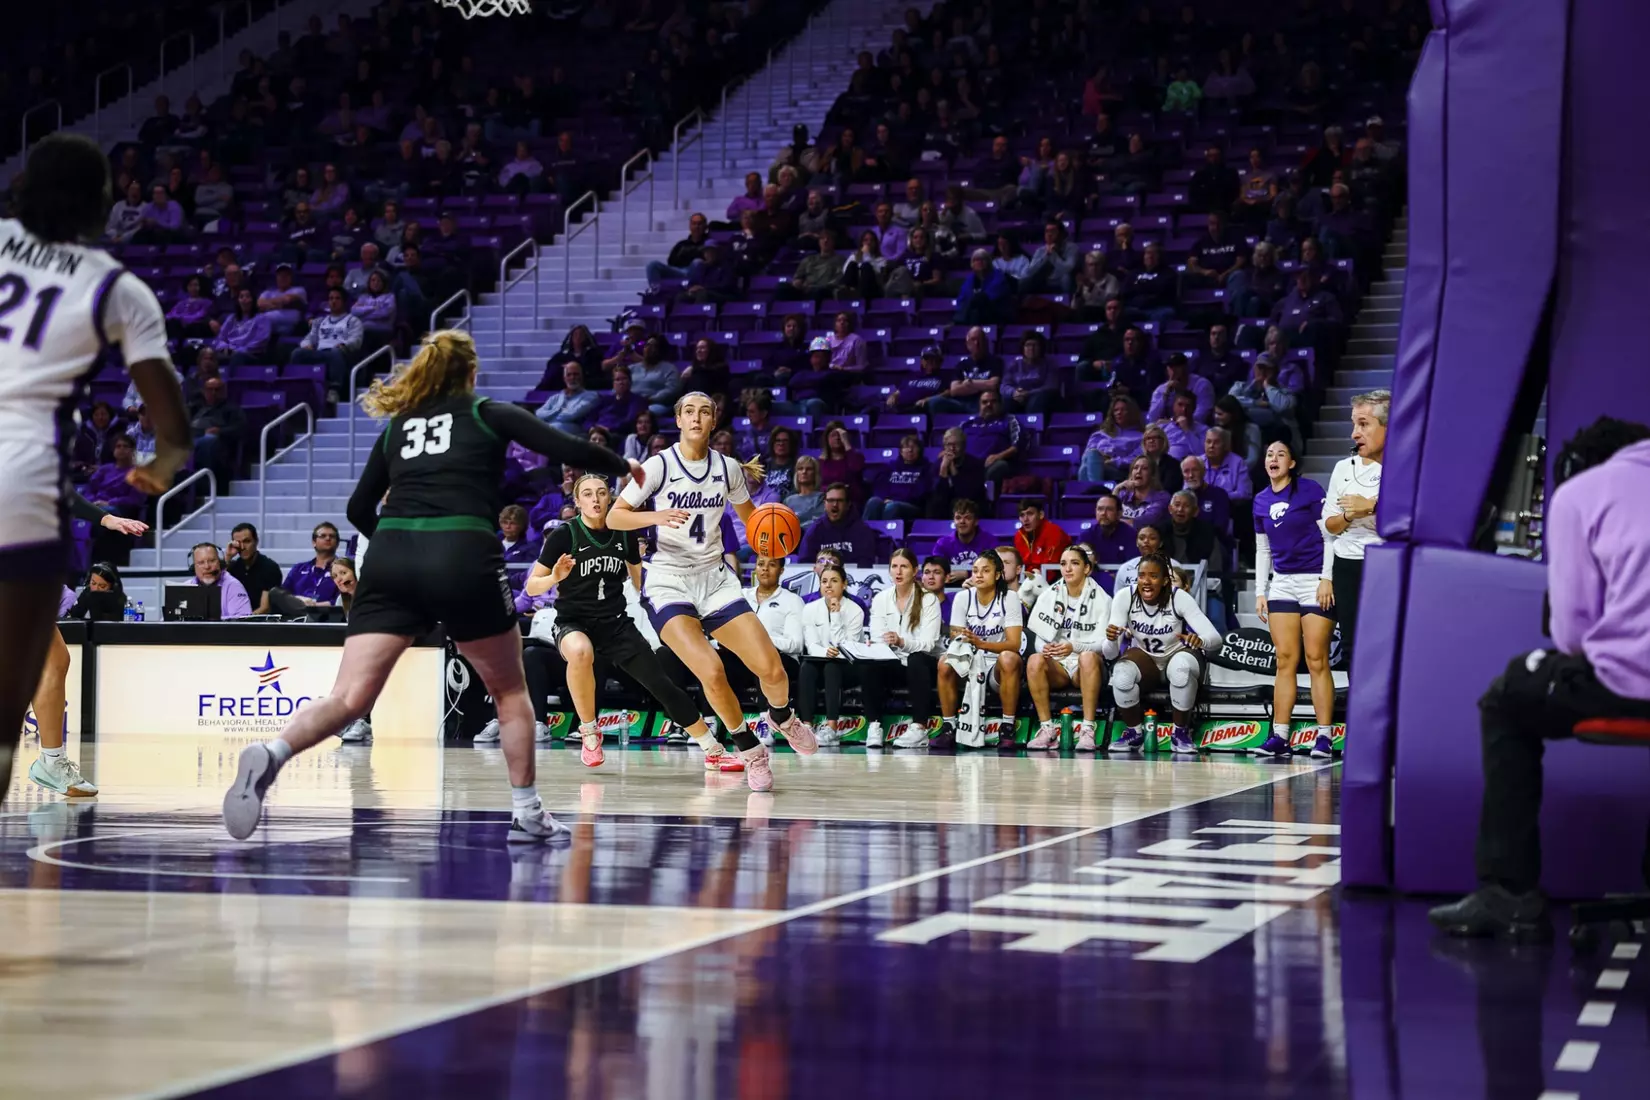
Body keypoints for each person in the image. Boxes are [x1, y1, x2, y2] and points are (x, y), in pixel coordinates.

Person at [221, 330, 638, 845]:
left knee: (349, 696)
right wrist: (624, 465)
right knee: (509, 693)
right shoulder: (486, 411)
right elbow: (563, 445)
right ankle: (527, 812)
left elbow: (356, 510)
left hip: (392, 558)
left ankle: (273, 753)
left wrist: (400, 546)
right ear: (469, 374)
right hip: (463, 554)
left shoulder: (399, 427)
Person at [0, 134, 190, 802]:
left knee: (50, 657)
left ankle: (51, 757)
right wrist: (159, 466)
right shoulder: (116, 287)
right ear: (103, 204)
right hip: (22, 488)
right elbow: (171, 428)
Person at [1429, 418, 1650, 940]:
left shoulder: (1582, 494)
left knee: (1506, 699)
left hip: (1627, 682)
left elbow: (1572, 633)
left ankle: (1508, 895)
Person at [608, 392, 818, 791]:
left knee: (772, 668)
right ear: (678, 419)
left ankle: (782, 716)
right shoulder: (658, 465)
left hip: (714, 577)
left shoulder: (728, 469)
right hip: (667, 579)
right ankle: (749, 750)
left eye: (704, 411)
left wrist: (775, 535)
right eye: (689, 411)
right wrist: (657, 516)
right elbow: (616, 515)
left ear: (713, 420)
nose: (696, 417)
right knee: (711, 669)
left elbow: (752, 523)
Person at [525, 474, 741, 772]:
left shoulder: (622, 533)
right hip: (574, 621)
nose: (596, 499)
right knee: (580, 651)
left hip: (615, 624)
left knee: (660, 684)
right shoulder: (565, 535)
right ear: (577, 502)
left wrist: (667, 616)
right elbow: (532, 586)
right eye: (587, 494)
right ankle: (589, 731)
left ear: (610, 497)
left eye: (601, 493)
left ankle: (712, 749)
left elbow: (641, 585)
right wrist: (554, 578)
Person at [1252, 441, 1337, 759]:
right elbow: (1263, 550)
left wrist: (1327, 577)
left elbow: (1330, 535)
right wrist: (1262, 590)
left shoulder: (1311, 491)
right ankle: (1280, 736)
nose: (1273, 458)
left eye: (1280, 454)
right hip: (1283, 583)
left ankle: (1325, 737)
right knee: (1284, 660)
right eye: (1269, 454)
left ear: (1292, 463)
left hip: (1315, 578)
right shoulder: (1260, 500)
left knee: (1317, 659)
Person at [1100, 553, 1221, 755]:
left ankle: (1180, 733)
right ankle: (1134, 733)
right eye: (1141, 575)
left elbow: (1215, 639)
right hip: (1146, 659)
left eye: (1153, 576)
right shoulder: (1124, 597)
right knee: (1121, 675)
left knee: (1180, 669)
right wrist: (1111, 639)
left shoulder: (1179, 597)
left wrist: (1200, 641)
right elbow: (1110, 654)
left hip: (1178, 653)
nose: (1146, 581)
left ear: (1165, 580)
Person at [935, 550, 1024, 751]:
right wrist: (972, 644)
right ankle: (949, 726)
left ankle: (1007, 727)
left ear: (998, 575)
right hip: (969, 660)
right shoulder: (962, 597)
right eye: (975, 571)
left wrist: (982, 644)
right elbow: (956, 638)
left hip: (995, 663)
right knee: (944, 661)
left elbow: (1014, 644)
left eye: (985, 570)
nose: (979, 575)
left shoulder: (1009, 598)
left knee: (1009, 658)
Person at [1025, 546, 1111, 751]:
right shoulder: (1048, 595)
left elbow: (1105, 646)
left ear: (1087, 569)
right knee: (1035, 659)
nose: (1068, 568)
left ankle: (1087, 729)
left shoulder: (1103, 599)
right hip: (1060, 665)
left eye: (1075, 563)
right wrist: (1048, 649)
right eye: (1063, 563)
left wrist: (1075, 647)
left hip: (1089, 666)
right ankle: (1047, 730)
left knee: (1088, 657)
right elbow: (1039, 639)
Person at [1323, 389, 1386, 670]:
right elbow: (1330, 524)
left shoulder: (1406, 468)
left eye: (1363, 424)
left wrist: (1370, 506)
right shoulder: (1341, 468)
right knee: (1351, 646)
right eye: (1353, 424)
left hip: (1385, 564)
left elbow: (1412, 519)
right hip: (1347, 564)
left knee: (1384, 643)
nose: (1354, 433)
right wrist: (1351, 513)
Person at [863, 548, 944, 750]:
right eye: (894, 566)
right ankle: (874, 725)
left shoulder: (929, 599)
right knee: (869, 663)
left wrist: (901, 641)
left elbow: (929, 644)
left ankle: (919, 727)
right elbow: (876, 635)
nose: (898, 572)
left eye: (904, 567)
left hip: (923, 664)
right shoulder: (881, 598)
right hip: (893, 662)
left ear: (915, 570)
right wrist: (881, 645)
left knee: (917, 658)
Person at [798, 563, 868, 744]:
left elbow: (846, 647)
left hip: (848, 666)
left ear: (844, 584)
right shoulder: (810, 609)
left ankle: (831, 727)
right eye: (824, 581)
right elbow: (811, 644)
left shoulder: (855, 611)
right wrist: (825, 652)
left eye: (834, 581)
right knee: (807, 667)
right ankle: (807, 725)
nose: (828, 585)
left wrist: (836, 614)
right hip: (821, 659)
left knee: (832, 667)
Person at [798, 482, 879, 566]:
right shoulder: (815, 531)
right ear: (824, 504)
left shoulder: (862, 531)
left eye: (839, 501)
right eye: (831, 500)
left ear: (848, 505)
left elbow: (865, 564)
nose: (835, 505)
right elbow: (804, 564)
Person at [863, 434, 931, 523]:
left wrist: (895, 500)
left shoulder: (926, 468)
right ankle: (864, 534)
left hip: (912, 505)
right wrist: (884, 499)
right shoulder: (890, 466)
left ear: (919, 450)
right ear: (901, 451)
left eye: (913, 447)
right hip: (888, 502)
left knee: (892, 507)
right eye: (906, 447)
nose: (910, 450)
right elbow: (880, 486)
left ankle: (887, 535)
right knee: (873, 501)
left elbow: (921, 492)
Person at [189, 543, 253, 619]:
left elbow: (242, 624)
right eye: (201, 563)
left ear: (220, 563)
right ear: (194, 568)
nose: (207, 566)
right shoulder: (186, 587)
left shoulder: (233, 586)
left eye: (212, 561)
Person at [934, 498, 988, 583]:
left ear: (976, 521)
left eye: (967, 518)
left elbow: (993, 569)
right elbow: (935, 569)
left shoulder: (989, 541)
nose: (962, 521)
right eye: (958, 518)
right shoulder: (943, 543)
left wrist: (967, 573)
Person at [1014, 500, 1071, 569]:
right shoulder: (1019, 536)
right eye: (1022, 515)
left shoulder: (1054, 532)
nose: (1025, 519)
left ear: (1041, 515)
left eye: (1030, 514)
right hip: (1028, 577)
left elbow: (1051, 568)